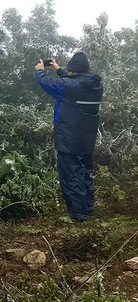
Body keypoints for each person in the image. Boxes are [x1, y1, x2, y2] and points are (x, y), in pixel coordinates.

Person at [34, 52, 103, 222]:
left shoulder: (71, 86)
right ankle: (88, 207)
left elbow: (47, 83)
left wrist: (40, 71)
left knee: (71, 175)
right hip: (86, 138)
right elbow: (75, 82)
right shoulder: (94, 85)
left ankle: (79, 215)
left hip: (69, 138)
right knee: (85, 172)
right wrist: (59, 69)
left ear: (74, 72)